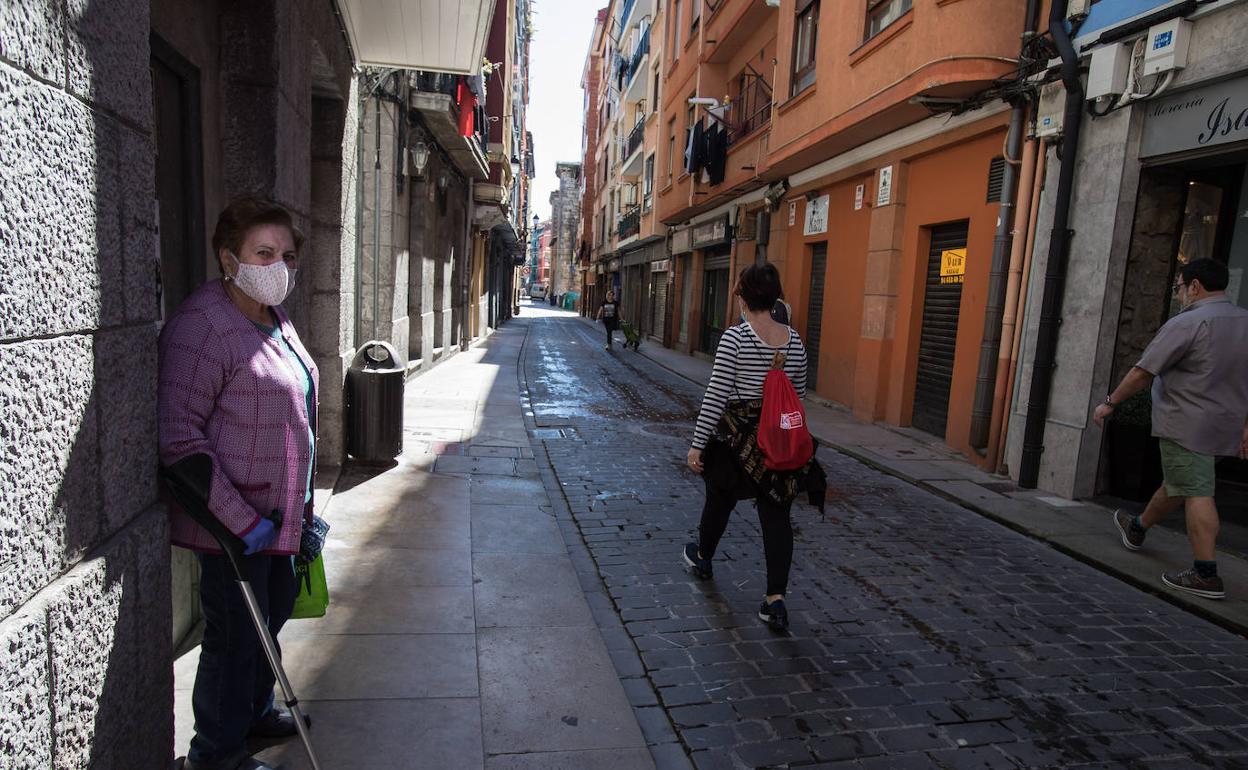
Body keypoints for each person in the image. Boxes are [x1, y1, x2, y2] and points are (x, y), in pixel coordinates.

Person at [159, 198, 319, 770]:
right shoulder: (202, 326)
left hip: (280, 516)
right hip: (233, 525)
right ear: (229, 259)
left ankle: (253, 713)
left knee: (268, 621)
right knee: (233, 638)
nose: (279, 266)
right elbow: (178, 436)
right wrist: (240, 520)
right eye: (264, 253)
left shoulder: (273, 315)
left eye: (288, 256)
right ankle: (216, 754)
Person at [1095, 258, 1248, 600]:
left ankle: (1205, 574)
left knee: (1196, 491)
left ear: (1195, 286)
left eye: (1178, 287)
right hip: (1224, 426)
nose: (1179, 295)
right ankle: (1137, 528)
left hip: (1186, 423)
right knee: (1181, 482)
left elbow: (1143, 372)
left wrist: (1110, 402)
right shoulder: (1244, 321)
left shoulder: (1187, 322)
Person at [684, 263, 825, 631]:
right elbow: (797, 397)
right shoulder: (795, 341)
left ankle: (703, 556)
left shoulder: (735, 339)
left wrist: (697, 444)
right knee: (777, 515)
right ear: (775, 297)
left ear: (743, 298)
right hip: (777, 441)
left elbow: (716, 395)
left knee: (719, 498)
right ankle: (775, 600)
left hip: (738, 441)